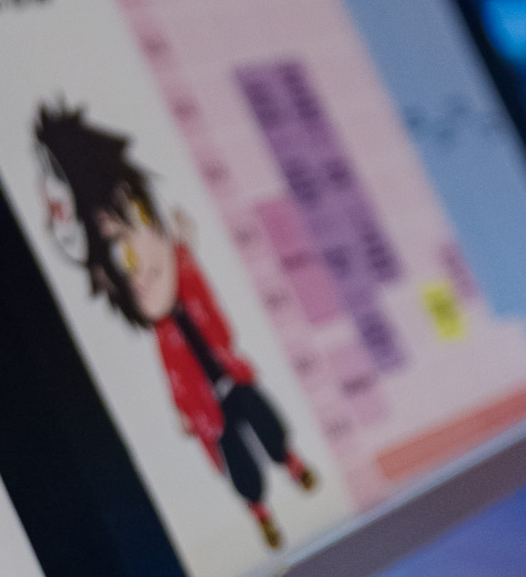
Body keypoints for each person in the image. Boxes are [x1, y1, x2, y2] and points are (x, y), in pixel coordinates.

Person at [33, 101, 316, 549]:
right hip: (208, 408)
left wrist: (184, 247)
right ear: (107, 277)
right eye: (122, 252)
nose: (144, 253)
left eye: (144, 217)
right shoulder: (163, 336)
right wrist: (186, 413)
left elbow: (210, 307)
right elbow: (176, 377)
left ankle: (293, 463)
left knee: (267, 422)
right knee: (240, 464)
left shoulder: (187, 281)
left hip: (233, 376)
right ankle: (261, 512)